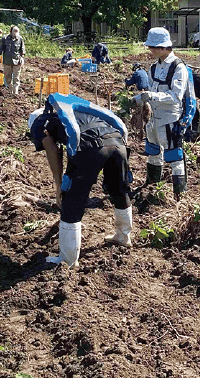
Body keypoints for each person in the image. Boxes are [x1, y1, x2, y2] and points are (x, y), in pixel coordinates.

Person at [28, 93, 134, 265]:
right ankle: (123, 236)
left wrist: (58, 185)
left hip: (90, 147)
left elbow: (52, 149)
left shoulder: (43, 123)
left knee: (72, 200)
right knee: (119, 189)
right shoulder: (75, 115)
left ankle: (67, 260)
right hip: (117, 144)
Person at [133, 27, 196, 198]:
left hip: (170, 118)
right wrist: (141, 100)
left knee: (174, 155)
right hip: (153, 118)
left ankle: (179, 195)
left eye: (153, 47)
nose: (151, 50)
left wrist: (152, 96)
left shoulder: (178, 67)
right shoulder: (154, 67)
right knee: (152, 151)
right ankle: (152, 186)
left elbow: (176, 96)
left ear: (163, 47)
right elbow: (152, 89)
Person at [0, 25, 26, 95]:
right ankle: (10, 90)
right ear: (10, 32)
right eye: (15, 31)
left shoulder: (20, 39)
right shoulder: (4, 39)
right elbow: (0, 49)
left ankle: (15, 92)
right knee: (7, 77)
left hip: (17, 61)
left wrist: (22, 57)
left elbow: (22, 49)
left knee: (16, 77)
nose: (16, 33)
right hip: (7, 61)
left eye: (17, 31)